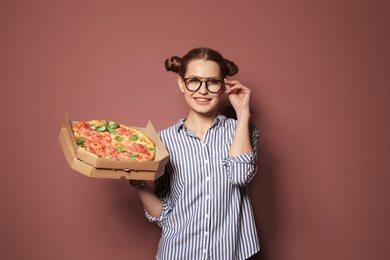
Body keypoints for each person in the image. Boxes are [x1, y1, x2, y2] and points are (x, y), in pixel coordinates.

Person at [130, 47, 260, 259]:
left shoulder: (243, 130)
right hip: (179, 252)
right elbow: (163, 213)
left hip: (229, 253)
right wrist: (137, 183)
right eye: (194, 80)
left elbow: (240, 175)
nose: (203, 90)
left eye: (212, 82)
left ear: (222, 85)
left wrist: (243, 112)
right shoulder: (162, 141)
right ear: (181, 83)